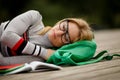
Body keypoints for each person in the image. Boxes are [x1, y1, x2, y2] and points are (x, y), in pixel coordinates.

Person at [0, 10, 93, 65]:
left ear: (67, 45)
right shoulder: (35, 17)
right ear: (61, 21)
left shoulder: (40, 58)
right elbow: (6, 36)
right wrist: (42, 52)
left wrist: (42, 54)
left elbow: (2, 62)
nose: (59, 32)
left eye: (67, 37)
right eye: (64, 27)